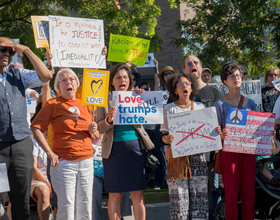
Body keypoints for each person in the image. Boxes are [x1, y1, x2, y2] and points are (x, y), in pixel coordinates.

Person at [31, 68, 99, 220]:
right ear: (58, 87)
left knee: (86, 206)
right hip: (64, 163)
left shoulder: (86, 104)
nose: (69, 82)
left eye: (72, 79)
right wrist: (49, 153)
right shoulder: (53, 104)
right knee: (66, 207)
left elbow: (94, 135)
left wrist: (93, 130)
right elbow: (35, 127)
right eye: (64, 80)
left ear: (77, 84)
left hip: (86, 161)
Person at [0, 37, 52, 220]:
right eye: (2, 49)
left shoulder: (18, 74)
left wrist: (27, 50)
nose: (7, 54)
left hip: (21, 145)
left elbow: (46, 76)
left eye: (10, 51)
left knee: (21, 202)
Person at [96, 63, 154, 220]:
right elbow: (99, 127)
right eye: (118, 77)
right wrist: (108, 119)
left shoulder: (137, 97)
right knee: (115, 195)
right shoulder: (103, 100)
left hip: (135, 150)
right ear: (112, 81)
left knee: (137, 195)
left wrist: (142, 98)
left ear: (130, 80)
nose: (122, 80)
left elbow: (151, 118)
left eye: (125, 77)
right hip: (113, 152)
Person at [161, 73, 209, 220]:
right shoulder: (168, 109)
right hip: (177, 160)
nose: (184, 87)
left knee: (199, 196)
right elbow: (162, 137)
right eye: (180, 85)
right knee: (179, 199)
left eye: (187, 84)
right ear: (175, 90)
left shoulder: (201, 107)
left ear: (192, 87)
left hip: (198, 159)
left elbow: (207, 131)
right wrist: (167, 139)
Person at [214, 63, 257, 220]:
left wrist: (266, 132)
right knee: (231, 197)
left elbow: (256, 128)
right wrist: (220, 134)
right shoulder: (219, 104)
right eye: (231, 76)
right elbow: (215, 132)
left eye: (238, 75)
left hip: (248, 154)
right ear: (225, 81)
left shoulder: (251, 103)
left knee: (249, 196)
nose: (236, 78)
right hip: (229, 154)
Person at [182, 54, 222, 220]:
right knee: (190, 193)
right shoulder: (181, 93)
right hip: (186, 155)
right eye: (189, 63)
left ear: (200, 66)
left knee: (211, 191)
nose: (193, 65)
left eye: (196, 62)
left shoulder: (213, 92)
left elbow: (222, 118)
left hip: (210, 156)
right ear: (184, 70)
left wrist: (220, 130)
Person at [30, 137, 51, 220]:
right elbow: (34, 169)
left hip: (55, 177)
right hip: (37, 178)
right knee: (44, 191)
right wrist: (47, 182)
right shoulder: (35, 143)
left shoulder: (58, 140)